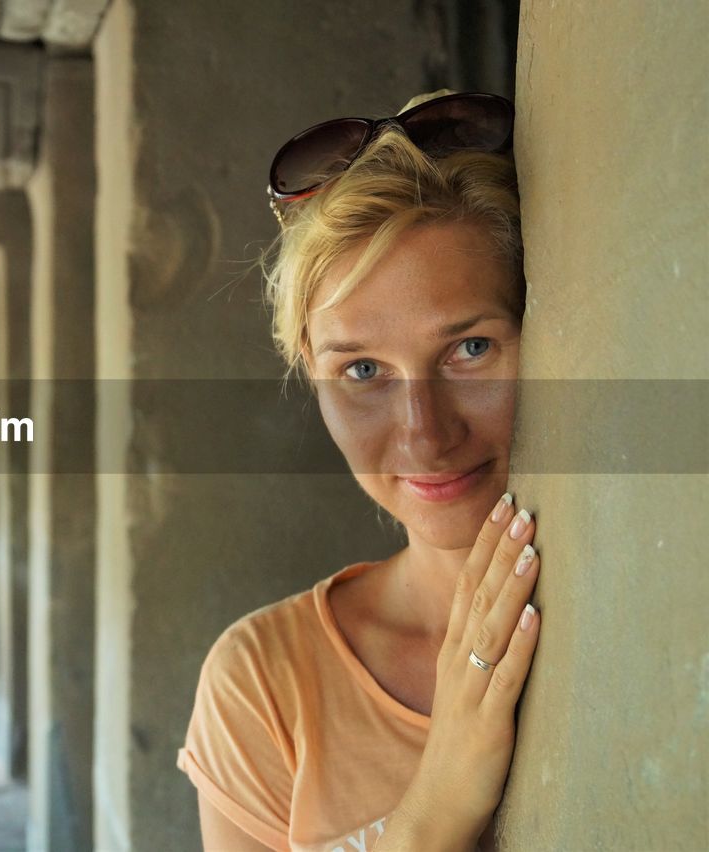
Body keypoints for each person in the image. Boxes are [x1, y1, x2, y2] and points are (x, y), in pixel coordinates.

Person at [175, 90, 542, 852]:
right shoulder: (267, 685)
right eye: (365, 369)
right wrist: (435, 810)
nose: (424, 434)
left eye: (469, 348)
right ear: (313, 376)